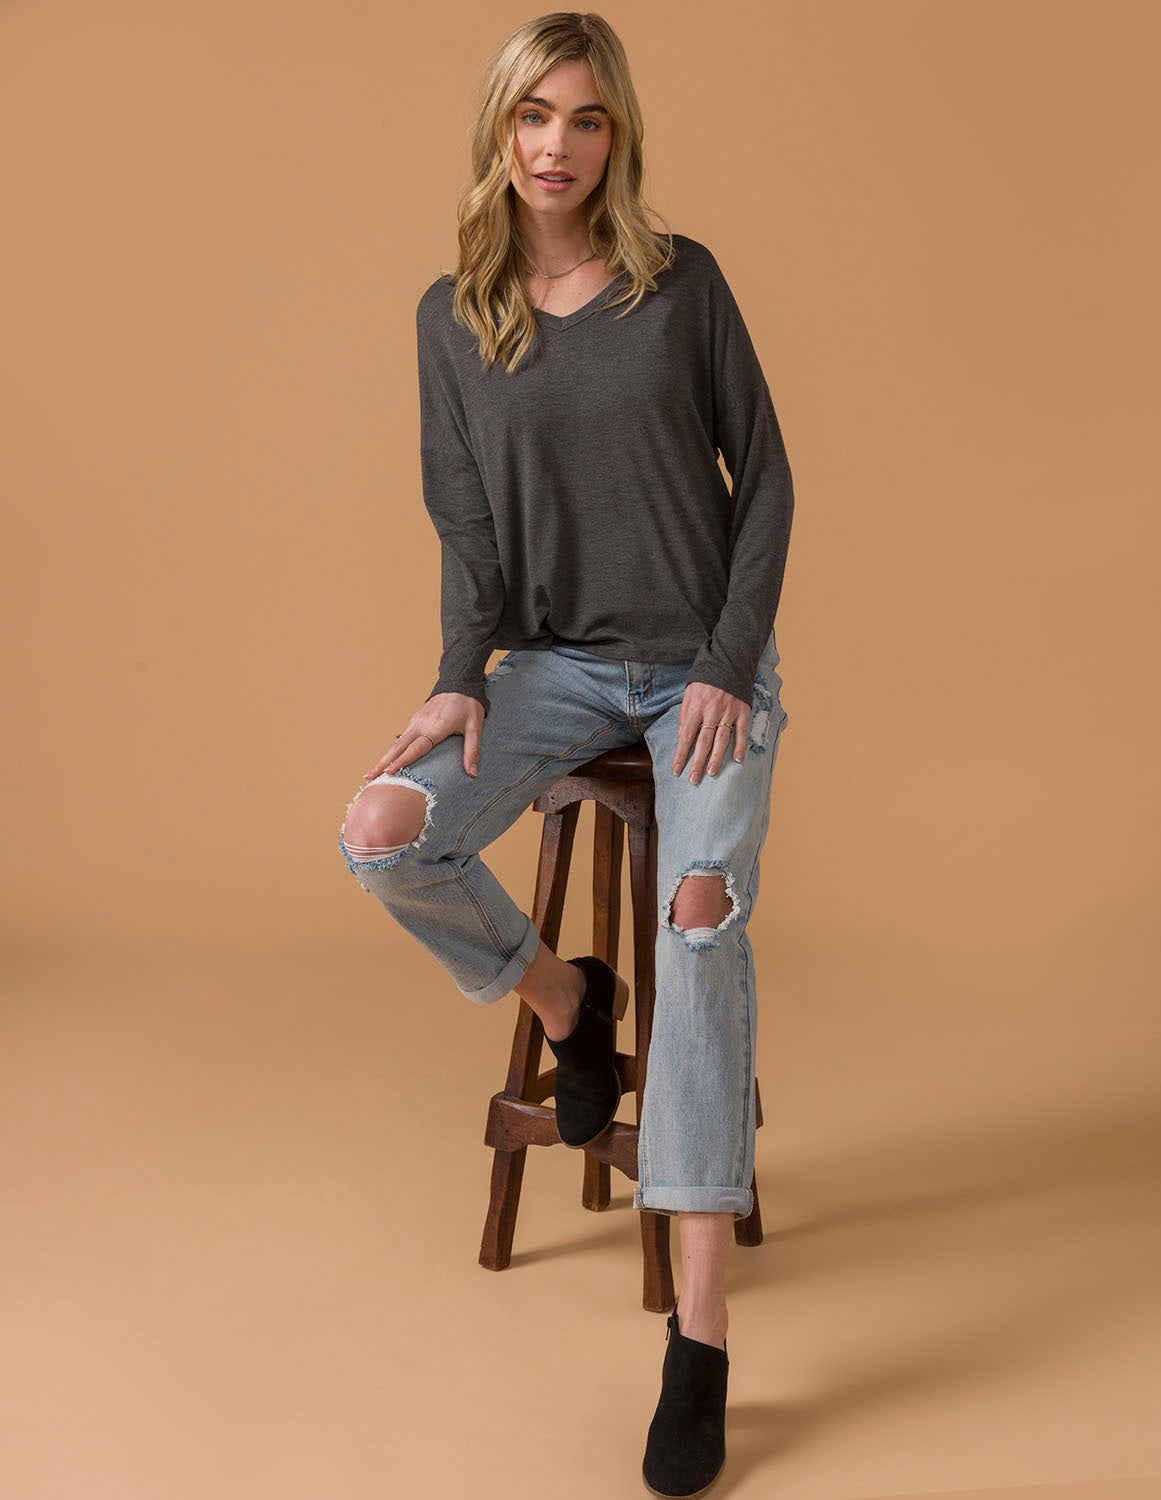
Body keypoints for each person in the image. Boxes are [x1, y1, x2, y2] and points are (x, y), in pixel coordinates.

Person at [337, 13, 793, 1496]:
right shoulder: (451, 319)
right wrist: (456, 682)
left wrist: (727, 665)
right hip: (555, 671)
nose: (555, 145)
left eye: (584, 120)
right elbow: (465, 532)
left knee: (706, 924)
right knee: (383, 831)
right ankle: (567, 996)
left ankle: (702, 1345)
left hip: (702, 672)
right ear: (498, 131)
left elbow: (769, 477)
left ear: (618, 139)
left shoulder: (682, 285)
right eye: (532, 116)